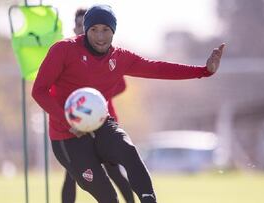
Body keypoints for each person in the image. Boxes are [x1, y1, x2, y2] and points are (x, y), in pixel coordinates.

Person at [32, 4, 225, 203]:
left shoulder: (120, 57)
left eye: (105, 30)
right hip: (67, 136)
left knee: (128, 151)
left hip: (100, 125)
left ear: (113, 31)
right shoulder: (63, 50)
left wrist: (204, 71)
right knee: (108, 196)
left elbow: (157, 69)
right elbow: (39, 91)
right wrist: (68, 121)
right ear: (86, 30)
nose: (100, 36)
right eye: (94, 30)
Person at [61, 7, 134, 203]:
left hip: (102, 122)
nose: (81, 30)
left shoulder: (104, 54)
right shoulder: (68, 52)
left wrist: (95, 101)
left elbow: (121, 85)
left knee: (115, 172)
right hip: (78, 123)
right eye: (78, 25)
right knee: (72, 172)